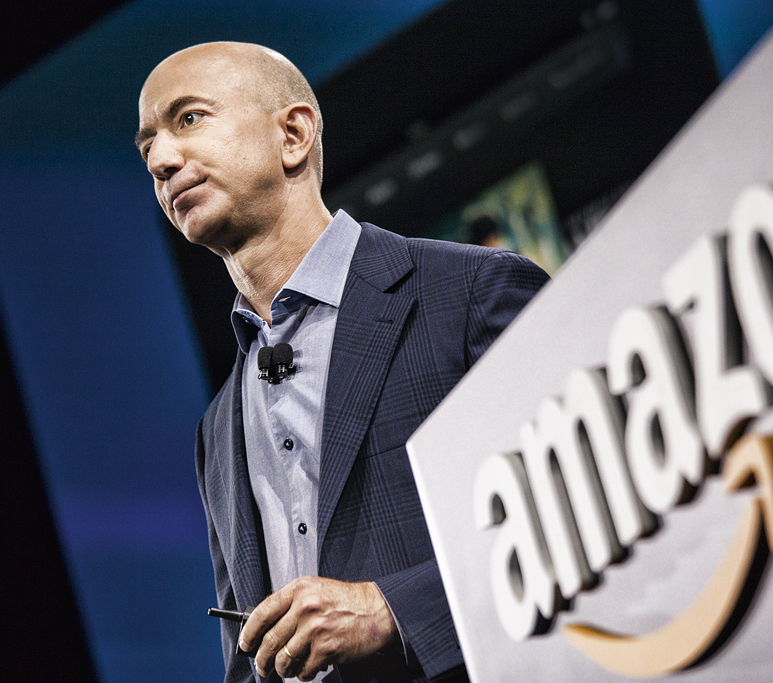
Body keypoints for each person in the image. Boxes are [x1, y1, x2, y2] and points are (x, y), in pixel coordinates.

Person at [136, 42, 548, 683]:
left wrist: (392, 611)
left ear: (293, 135)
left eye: (189, 118)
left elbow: (578, 512)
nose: (162, 160)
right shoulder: (216, 431)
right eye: (148, 150)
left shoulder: (473, 293)